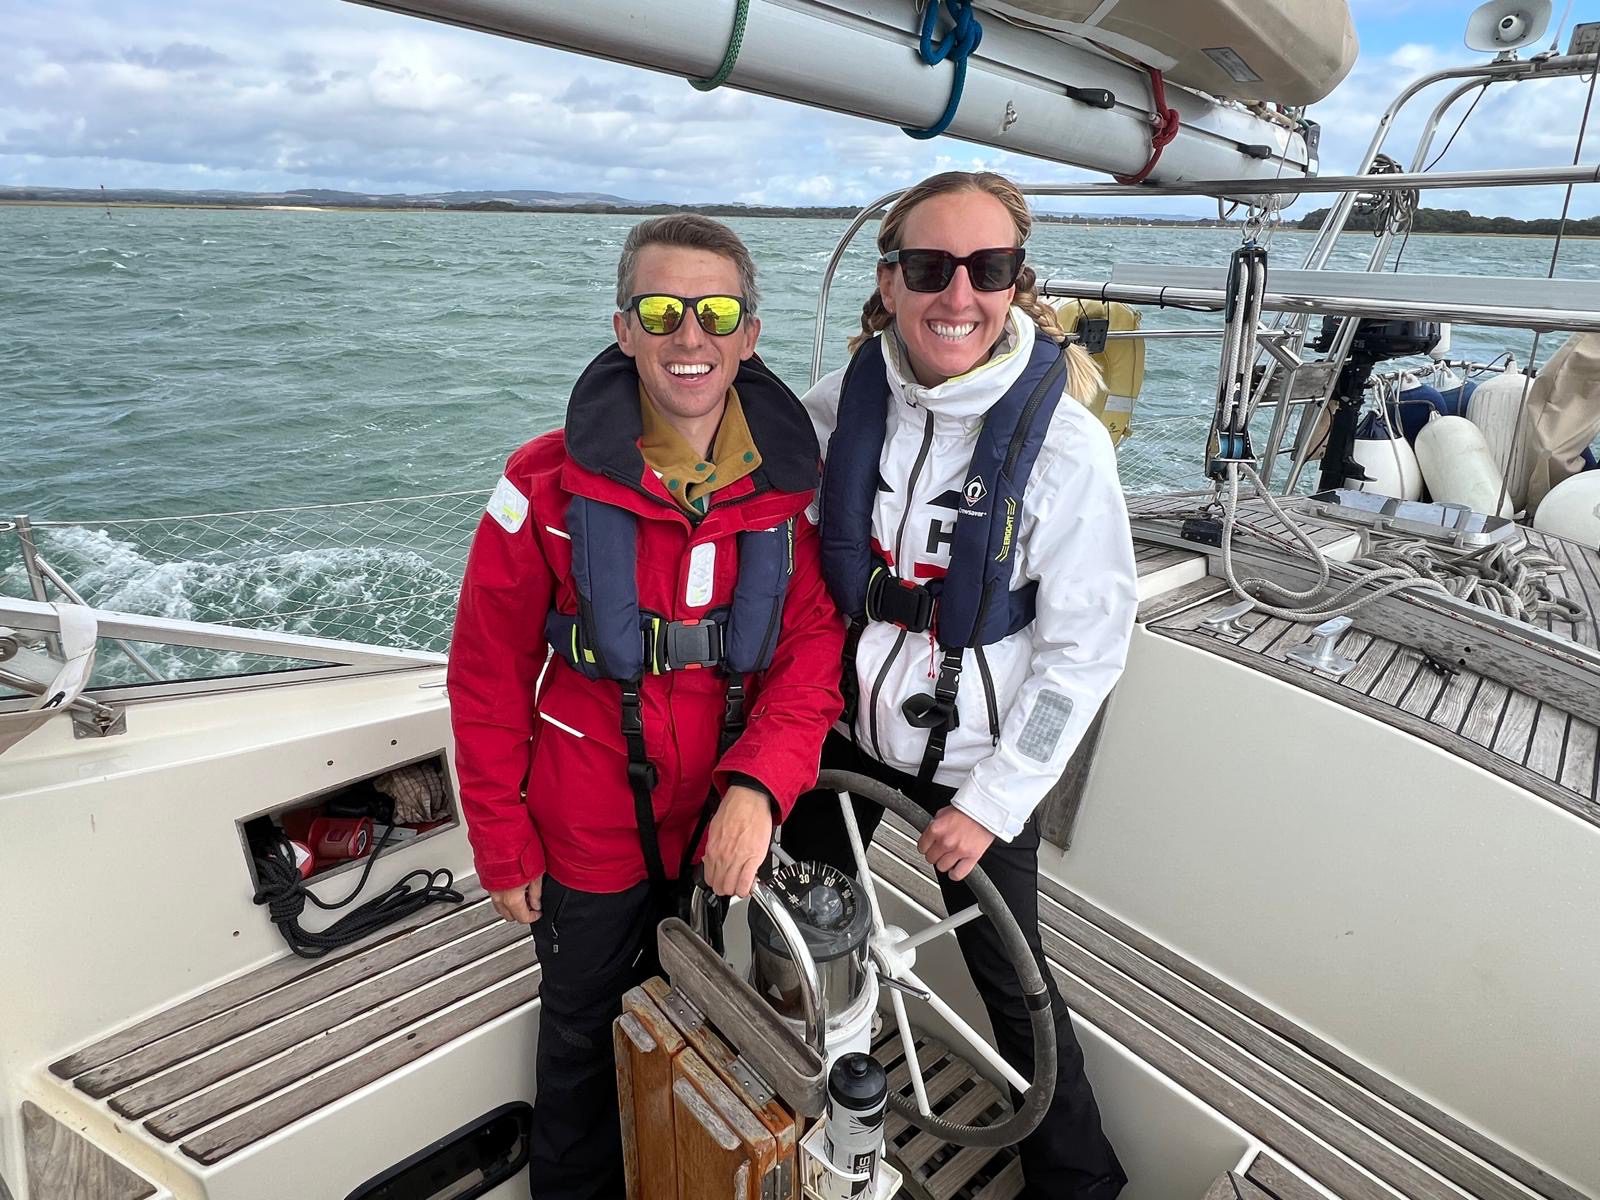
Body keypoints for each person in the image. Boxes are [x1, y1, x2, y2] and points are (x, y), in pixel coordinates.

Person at [448, 213, 845, 1200]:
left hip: (718, 822)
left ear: (750, 334)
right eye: (661, 311)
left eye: (716, 313)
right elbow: (486, 672)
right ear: (623, 328)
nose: (689, 337)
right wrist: (502, 842)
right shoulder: (537, 484)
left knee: (717, 1015)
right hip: (585, 825)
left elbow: (808, 652)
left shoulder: (787, 493)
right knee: (581, 1034)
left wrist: (758, 786)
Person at [781, 171, 1136, 1199]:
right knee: (787, 908)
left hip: (976, 760)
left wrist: (991, 802)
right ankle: (790, 1062)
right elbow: (745, 502)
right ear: (889, 283)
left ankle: (1078, 1181)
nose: (958, 295)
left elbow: (1085, 651)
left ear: (1017, 284)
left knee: (1010, 978)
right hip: (842, 732)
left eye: (988, 270)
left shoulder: (1065, 451)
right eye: (930, 268)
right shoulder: (835, 410)